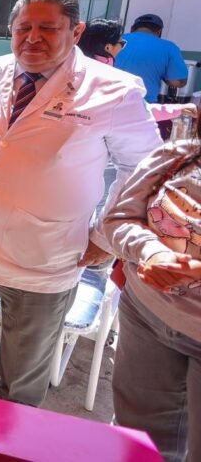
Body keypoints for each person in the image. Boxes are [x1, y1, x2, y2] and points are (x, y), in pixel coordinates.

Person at [0, 0, 162, 407]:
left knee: (28, 345)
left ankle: (12, 410)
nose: (32, 38)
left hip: (45, 245)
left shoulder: (115, 89)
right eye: (23, 28)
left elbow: (144, 169)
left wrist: (105, 235)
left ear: (76, 31)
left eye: (48, 28)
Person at [98, 119, 201, 462]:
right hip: (145, 314)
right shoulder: (180, 154)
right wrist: (150, 251)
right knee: (139, 441)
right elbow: (118, 218)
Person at [115, 13, 189, 103]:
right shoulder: (169, 47)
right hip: (142, 104)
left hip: (108, 100)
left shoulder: (115, 41)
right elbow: (178, 81)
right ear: (159, 32)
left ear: (132, 29)